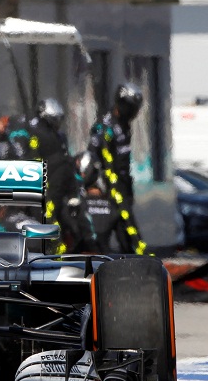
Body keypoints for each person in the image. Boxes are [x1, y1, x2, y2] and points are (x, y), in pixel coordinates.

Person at [17, 98, 98, 254]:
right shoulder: (35, 133)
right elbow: (34, 160)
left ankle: (81, 247)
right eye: (55, 119)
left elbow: (66, 162)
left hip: (63, 187)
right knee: (49, 216)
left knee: (71, 217)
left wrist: (73, 188)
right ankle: (56, 248)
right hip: (48, 186)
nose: (58, 123)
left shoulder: (59, 137)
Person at [86, 83, 148, 255]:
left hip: (123, 182)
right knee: (107, 231)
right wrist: (103, 185)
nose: (134, 114)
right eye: (132, 108)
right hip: (107, 186)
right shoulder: (106, 126)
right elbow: (97, 159)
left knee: (126, 230)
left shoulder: (125, 126)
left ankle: (135, 261)